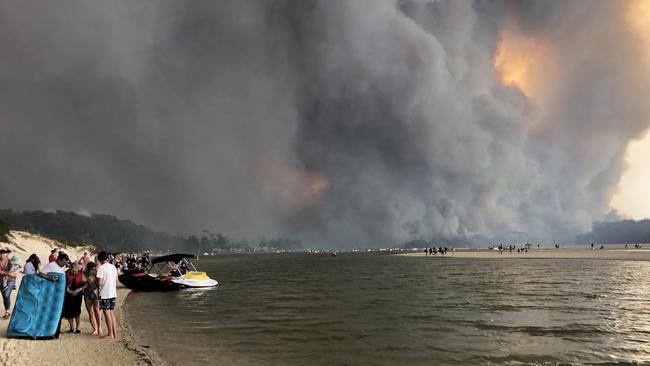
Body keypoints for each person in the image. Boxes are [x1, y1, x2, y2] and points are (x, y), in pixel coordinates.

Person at [97, 251, 118, 340]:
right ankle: (115, 333)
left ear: (99, 259)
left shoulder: (101, 268)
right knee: (111, 312)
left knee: (106, 313)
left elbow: (100, 283)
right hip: (113, 293)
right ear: (107, 258)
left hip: (105, 294)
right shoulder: (113, 267)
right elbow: (117, 280)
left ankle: (110, 334)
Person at [62, 262, 86, 333]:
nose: (74, 272)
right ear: (70, 268)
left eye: (75, 271)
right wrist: (69, 291)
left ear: (78, 269)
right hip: (68, 295)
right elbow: (63, 284)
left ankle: (77, 328)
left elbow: (86, 284)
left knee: (77, 311)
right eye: (72, 270)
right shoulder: (66, 273)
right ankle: (71, 328)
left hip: (78, 295)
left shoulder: (81, 274)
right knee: (69, 311)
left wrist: (80, 289)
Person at [0, 248, 20, 319]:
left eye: (3, 253)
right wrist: (8, 273)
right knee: (5, 297)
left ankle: (8, 312)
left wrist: (14, 273)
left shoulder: (10, 261)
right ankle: (7, 312)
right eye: (1, 252)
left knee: (6, 295)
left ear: (6, 254)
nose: (2, 254)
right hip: (1, 281)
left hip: (11, 281)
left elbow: (17, 267)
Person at [83, 261, 102, 336]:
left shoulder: (86, 273)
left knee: (91, 312)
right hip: (94, 293)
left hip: (88, 293)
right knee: (96, 311)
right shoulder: (94, 272)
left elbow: (83, 282)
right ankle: (98, 328)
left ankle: (96, 329)